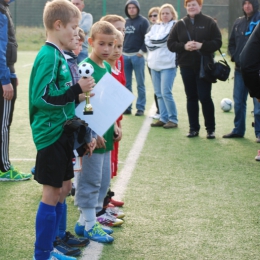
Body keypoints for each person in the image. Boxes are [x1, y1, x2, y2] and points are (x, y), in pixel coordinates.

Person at [29, 1, 96, 259]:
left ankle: (55, 244)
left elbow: (64, 97)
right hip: (50, 134)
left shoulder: (58, 55)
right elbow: (41, 98)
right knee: (51, 192)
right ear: (58, 25)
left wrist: (78, 96)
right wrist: (76, 90)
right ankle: (43, 253)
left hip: (63, 130)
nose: (76, 33)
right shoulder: (48, 55)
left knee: (62, 189)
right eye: (74, 27)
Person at [74, 21, 124, 244]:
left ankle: (84, 223)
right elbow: (83, 106)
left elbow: (105, 101)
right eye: (101, 44)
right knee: (90, 180)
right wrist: (93, 134)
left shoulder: (105, 67)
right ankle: (91, 225)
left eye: (111, 44)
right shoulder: (86, 67)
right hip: (91, 138)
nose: (106, 49)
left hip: (105, 133)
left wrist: (115, 125)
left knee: (102, 181)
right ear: (91, 42)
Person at [167, 0, 222, 139]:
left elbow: (218, 42)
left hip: (204, 66)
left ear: (200, 6)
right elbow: (170, 44)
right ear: (186, 7)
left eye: (194, 4)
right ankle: (193, 129)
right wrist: (184, 47)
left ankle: (210, 129)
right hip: (186, 66)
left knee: (205, 97)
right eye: (189, 4)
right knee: (191, 97)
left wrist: (201, 45)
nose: (191, 7)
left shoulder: (209, 22)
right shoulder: (179, 24)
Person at [0, 0, 32, 181]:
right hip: (2, 76)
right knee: (3, 125)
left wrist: (12, 72)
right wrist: (6, 78)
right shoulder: (1, 12)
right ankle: (4, 169)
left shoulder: (4, 9)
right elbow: (1, 47)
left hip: (6, 71)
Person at [222, 0, 260, 140]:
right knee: (238, 101)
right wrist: (236, 58)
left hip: (256, 71)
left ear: (255, 5)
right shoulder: (238, 22)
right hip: (239, 69)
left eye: (250, 3)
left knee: (258, 103)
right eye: (245, 3)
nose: (247, 6)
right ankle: (238, 129)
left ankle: (259, 132)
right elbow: (231, 43)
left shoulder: (259, 20)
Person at [146, 4, 178, 129]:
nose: (165, 15)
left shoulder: (175, 26)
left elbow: (164, 40)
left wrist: (155, 42)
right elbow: (147, 41)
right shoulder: (155, 27)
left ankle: (173, 119)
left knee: (166, 93)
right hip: (154, 64)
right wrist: (156, 43)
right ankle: (163, 118)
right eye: (163, 13)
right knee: (159, 93)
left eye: (167, 13)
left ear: (172, 14)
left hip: (168, 65)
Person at [123, 0, 149, 116]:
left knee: (140, 83)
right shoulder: (125, 21)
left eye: (134, 7)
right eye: (129, 8)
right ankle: (127, 107)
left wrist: (141, 51)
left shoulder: (143, 22)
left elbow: (147, 38)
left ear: (137, 8)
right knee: (126, 84)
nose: (131, 9)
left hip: (137, 56)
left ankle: (140, 107)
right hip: (125, 56)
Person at [147, 6, 161, 120]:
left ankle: (164, 112)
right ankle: (159, 110)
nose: (153, 18)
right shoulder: (150, 28)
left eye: (155, 15)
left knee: (164, 90)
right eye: (151, 16)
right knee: (156, 88)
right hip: (151, 62)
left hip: (163, 63)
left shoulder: (164, 29)